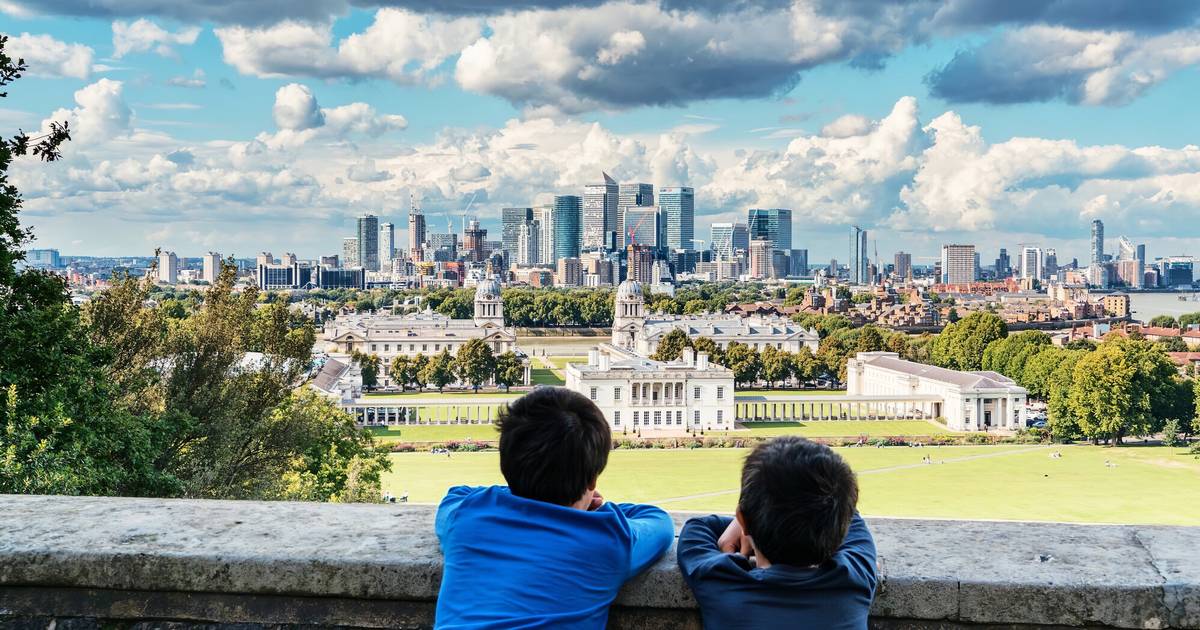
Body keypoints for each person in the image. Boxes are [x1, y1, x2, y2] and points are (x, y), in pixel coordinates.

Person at [434, 387, 674, 629]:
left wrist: (520, 487)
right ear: (592, 480)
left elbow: (455, 496)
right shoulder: (606, 538)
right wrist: (592, 511)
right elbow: (659, 523)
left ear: (506, 464)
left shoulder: (467, 516)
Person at [677, 437, 877, 630]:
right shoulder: (854, 580)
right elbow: (850, 515)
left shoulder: (722, 583)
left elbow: (696, 529)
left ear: (742, 519)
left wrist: (749, 521)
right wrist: (750, 519)